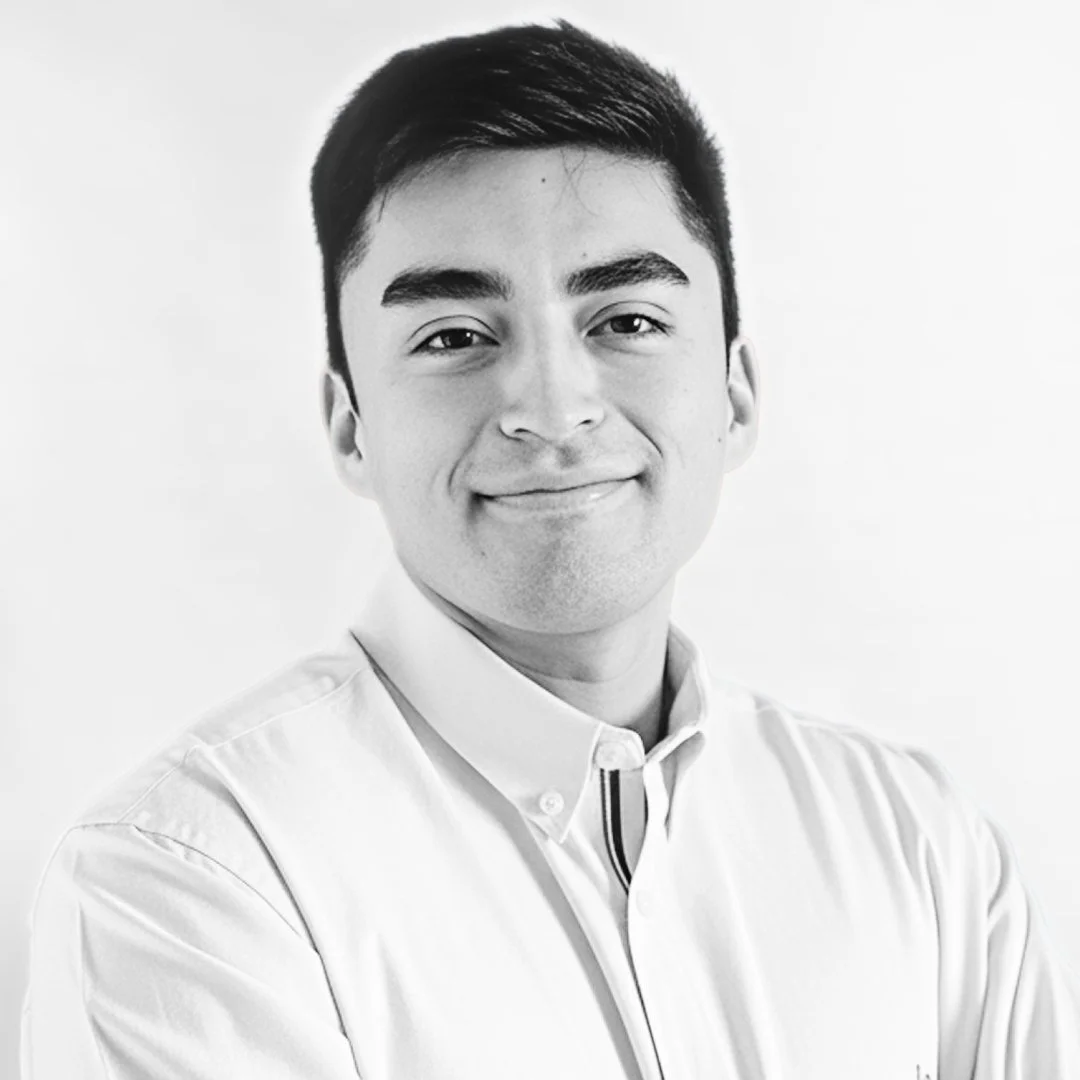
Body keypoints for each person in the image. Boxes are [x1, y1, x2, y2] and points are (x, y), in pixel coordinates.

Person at [21, 20, 1080, 1080]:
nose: (552, 406)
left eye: (627, 321)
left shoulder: (919, 849)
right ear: (350, 427)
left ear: (736, 392)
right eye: (452, 336)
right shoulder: (190, 881)